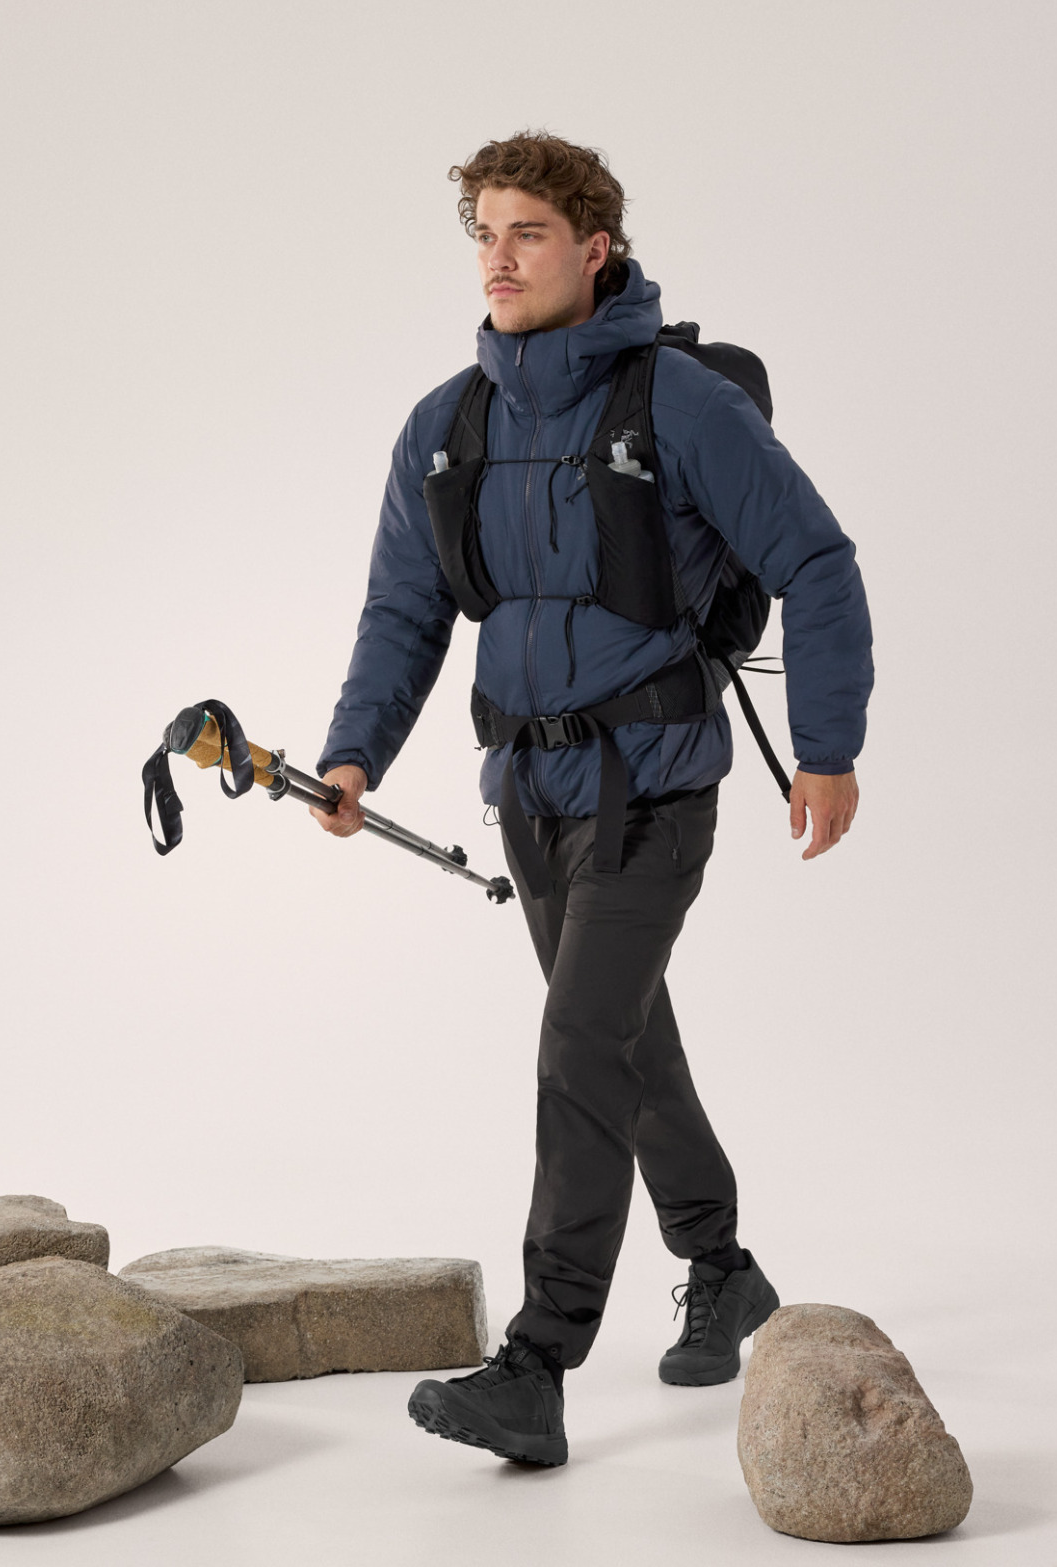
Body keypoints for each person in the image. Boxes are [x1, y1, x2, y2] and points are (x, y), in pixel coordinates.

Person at [312, 131, 872, 1469]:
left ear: (593, 249)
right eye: (484, 236)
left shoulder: (678, 404)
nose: (498, 261)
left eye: (528, 234)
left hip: (652, 788)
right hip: (525, 790)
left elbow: (816, 559)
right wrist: (354, 754)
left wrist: (827, 747)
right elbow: (404, 609)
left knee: (577, 1047)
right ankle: (722, 1266)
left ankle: (537, 1362)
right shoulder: (446, 425)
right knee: (620, 1042)